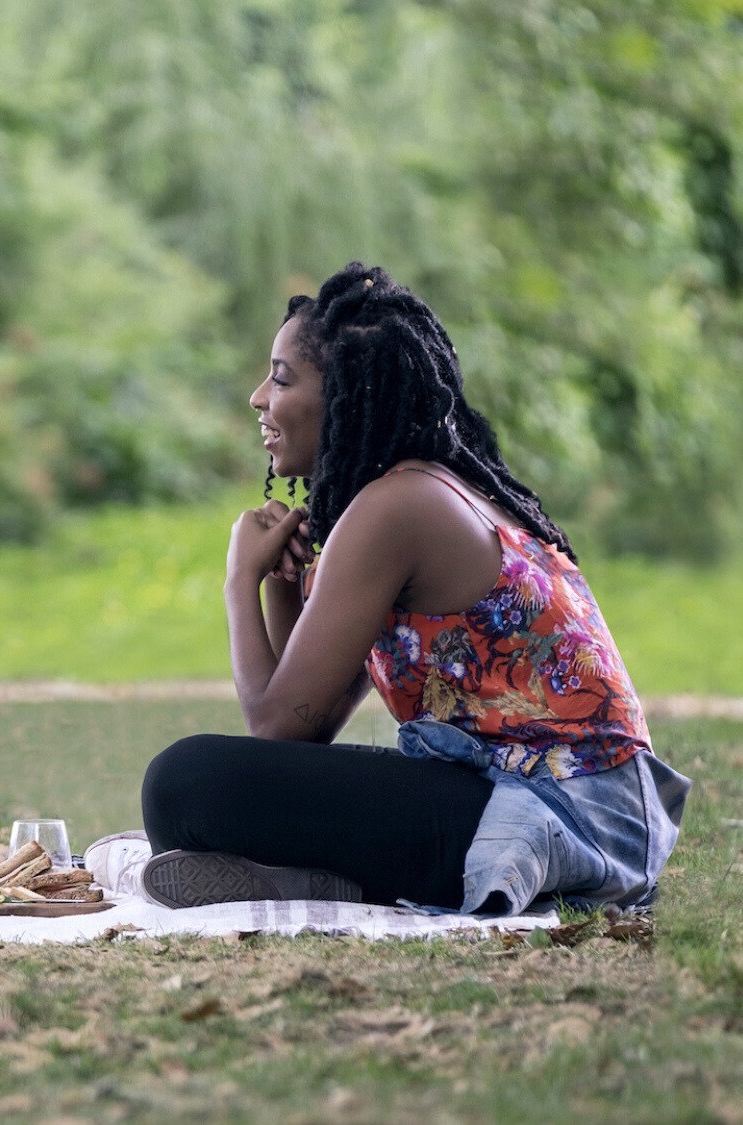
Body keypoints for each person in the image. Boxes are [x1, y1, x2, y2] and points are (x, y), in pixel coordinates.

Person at [139, 263, 689, 916]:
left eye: (281, 377)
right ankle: (311, 878)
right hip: (573, 810)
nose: (259, 397)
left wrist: (238, 580)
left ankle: (300, 870)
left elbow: (273, 728)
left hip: (560, 816)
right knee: (206, 786)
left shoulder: (396, 507)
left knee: (182, 785)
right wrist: (283, 585)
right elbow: (304, 726)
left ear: (343, 393)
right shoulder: (421, 493)